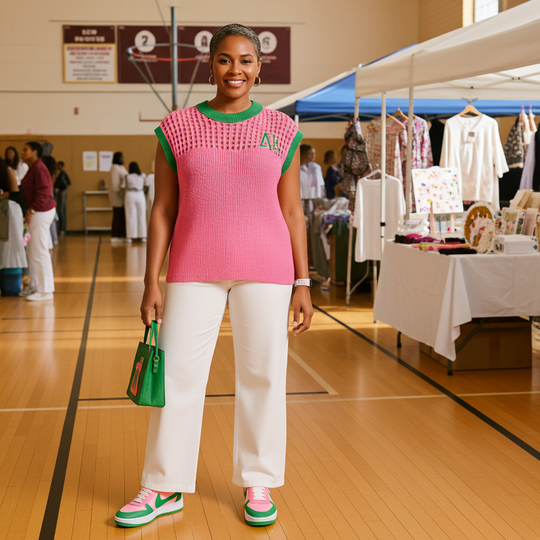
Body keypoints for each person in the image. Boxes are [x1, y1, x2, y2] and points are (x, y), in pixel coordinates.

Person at [114, 23, 312, 529]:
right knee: (177, 375)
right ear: (210, 65)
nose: (236, 70)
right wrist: (151, 280)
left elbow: (292, 212)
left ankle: (258, 480)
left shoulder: (283, 131)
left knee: (263, 375)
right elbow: (162, 210)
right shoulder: (177, 127)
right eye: (225, 60)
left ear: (259, 68)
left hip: (267, 270)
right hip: (193, 267)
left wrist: (303, 282)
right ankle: (163, 486)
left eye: (246, 60)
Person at [19, 142, 56, 301]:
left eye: (26, 150)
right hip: (37, 211)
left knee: (39, 251)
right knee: (33, 251)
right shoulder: (33, 168)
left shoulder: (39, 168)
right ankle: (35, 286)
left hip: (40, 211)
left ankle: (46, 290)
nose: (23, 152)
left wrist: (31, 211)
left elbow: (43, 192)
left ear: (34, 152)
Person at [121, 161, 147, 242]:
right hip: (140, 194)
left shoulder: (127, 176)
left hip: (130, 194)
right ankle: (142, 236)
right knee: (141, 215)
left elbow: (122, 186)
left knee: (130, 215)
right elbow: (145, 185)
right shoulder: (142, 175)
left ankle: (130, 237)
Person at [109, 152, 128, 243]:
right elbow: (114, 184)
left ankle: (121, 234)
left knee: (122, 216)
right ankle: (115, 235)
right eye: (121, 157)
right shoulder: (114, 167)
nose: (122, 159)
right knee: (117, 215)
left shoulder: (122, 167)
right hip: (117, 195)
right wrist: (122, 189)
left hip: (123, 195)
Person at [42, 156, 59, 246]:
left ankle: (54, 239)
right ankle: (53, 240)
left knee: (52, 222)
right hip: (50, 201)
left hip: (48, 202)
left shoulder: (48, 174)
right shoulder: (49, 174)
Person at [54, 161, 71, 235]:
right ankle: (57, 230)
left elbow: (68, 183)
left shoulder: (63, 174)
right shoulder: (54, 173)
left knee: (61, 210)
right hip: (55, 193)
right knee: (56, 211)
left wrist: (59, 188)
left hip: (62, 192)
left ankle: (62, 230)